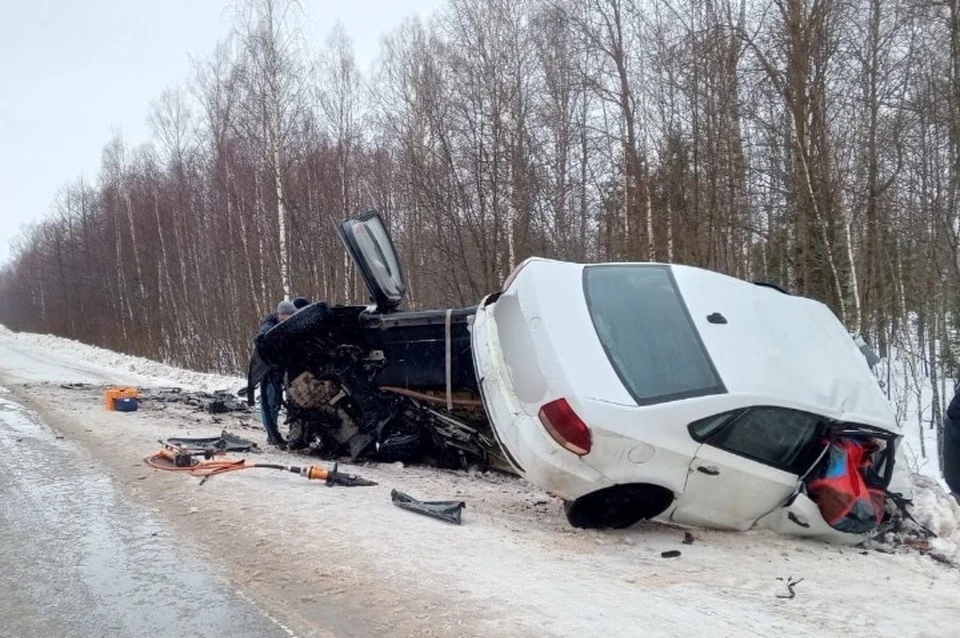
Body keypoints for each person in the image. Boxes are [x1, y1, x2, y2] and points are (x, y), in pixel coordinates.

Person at [255, 299, 297, 448]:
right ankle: (272, 435)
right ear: (281, 314)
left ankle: (273, 434)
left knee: (274, 401)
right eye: (287, 316)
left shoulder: (278, 325)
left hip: (276, 370)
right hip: (269, 371)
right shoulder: (268, 327)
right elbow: (262, 341)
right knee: (271, 403)